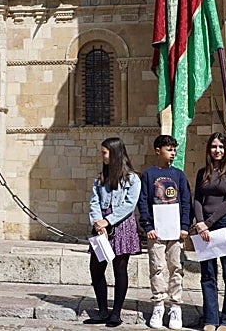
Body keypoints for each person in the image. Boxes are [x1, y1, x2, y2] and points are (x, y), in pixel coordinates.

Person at [84, 137, 141, 328]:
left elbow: (129, 205)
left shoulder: (132, 179)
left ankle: (116, 313)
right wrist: (98, 223)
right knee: (96, 267)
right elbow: (94, 202)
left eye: (105, 152)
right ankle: (102, 310)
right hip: (101, 226)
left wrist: (108, 221)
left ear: (115, 153)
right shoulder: (99, 179)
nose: (102, 156)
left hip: (121, 225)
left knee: (119, 268)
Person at [136, 134, 191, 330]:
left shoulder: (179, 175)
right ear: (158, 151)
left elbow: (186, 201)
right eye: (169, 149)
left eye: (174, 150)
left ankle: (175, 306)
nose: (173, 153)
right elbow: (143, 202)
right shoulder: (149, 175)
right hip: (156, 232)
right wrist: (147, 226)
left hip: (175, 231)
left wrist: (185, 226)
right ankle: (158, 305)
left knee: (176, 267)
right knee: (157, 267)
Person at [192, 133, 226, 331]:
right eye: (214, 146)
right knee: (208, 275)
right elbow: (198, 199)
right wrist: (200, 223)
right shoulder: (202, 173)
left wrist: (209, 222)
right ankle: (210, 319)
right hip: (205, 228)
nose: (217, 150)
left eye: (221, 146)